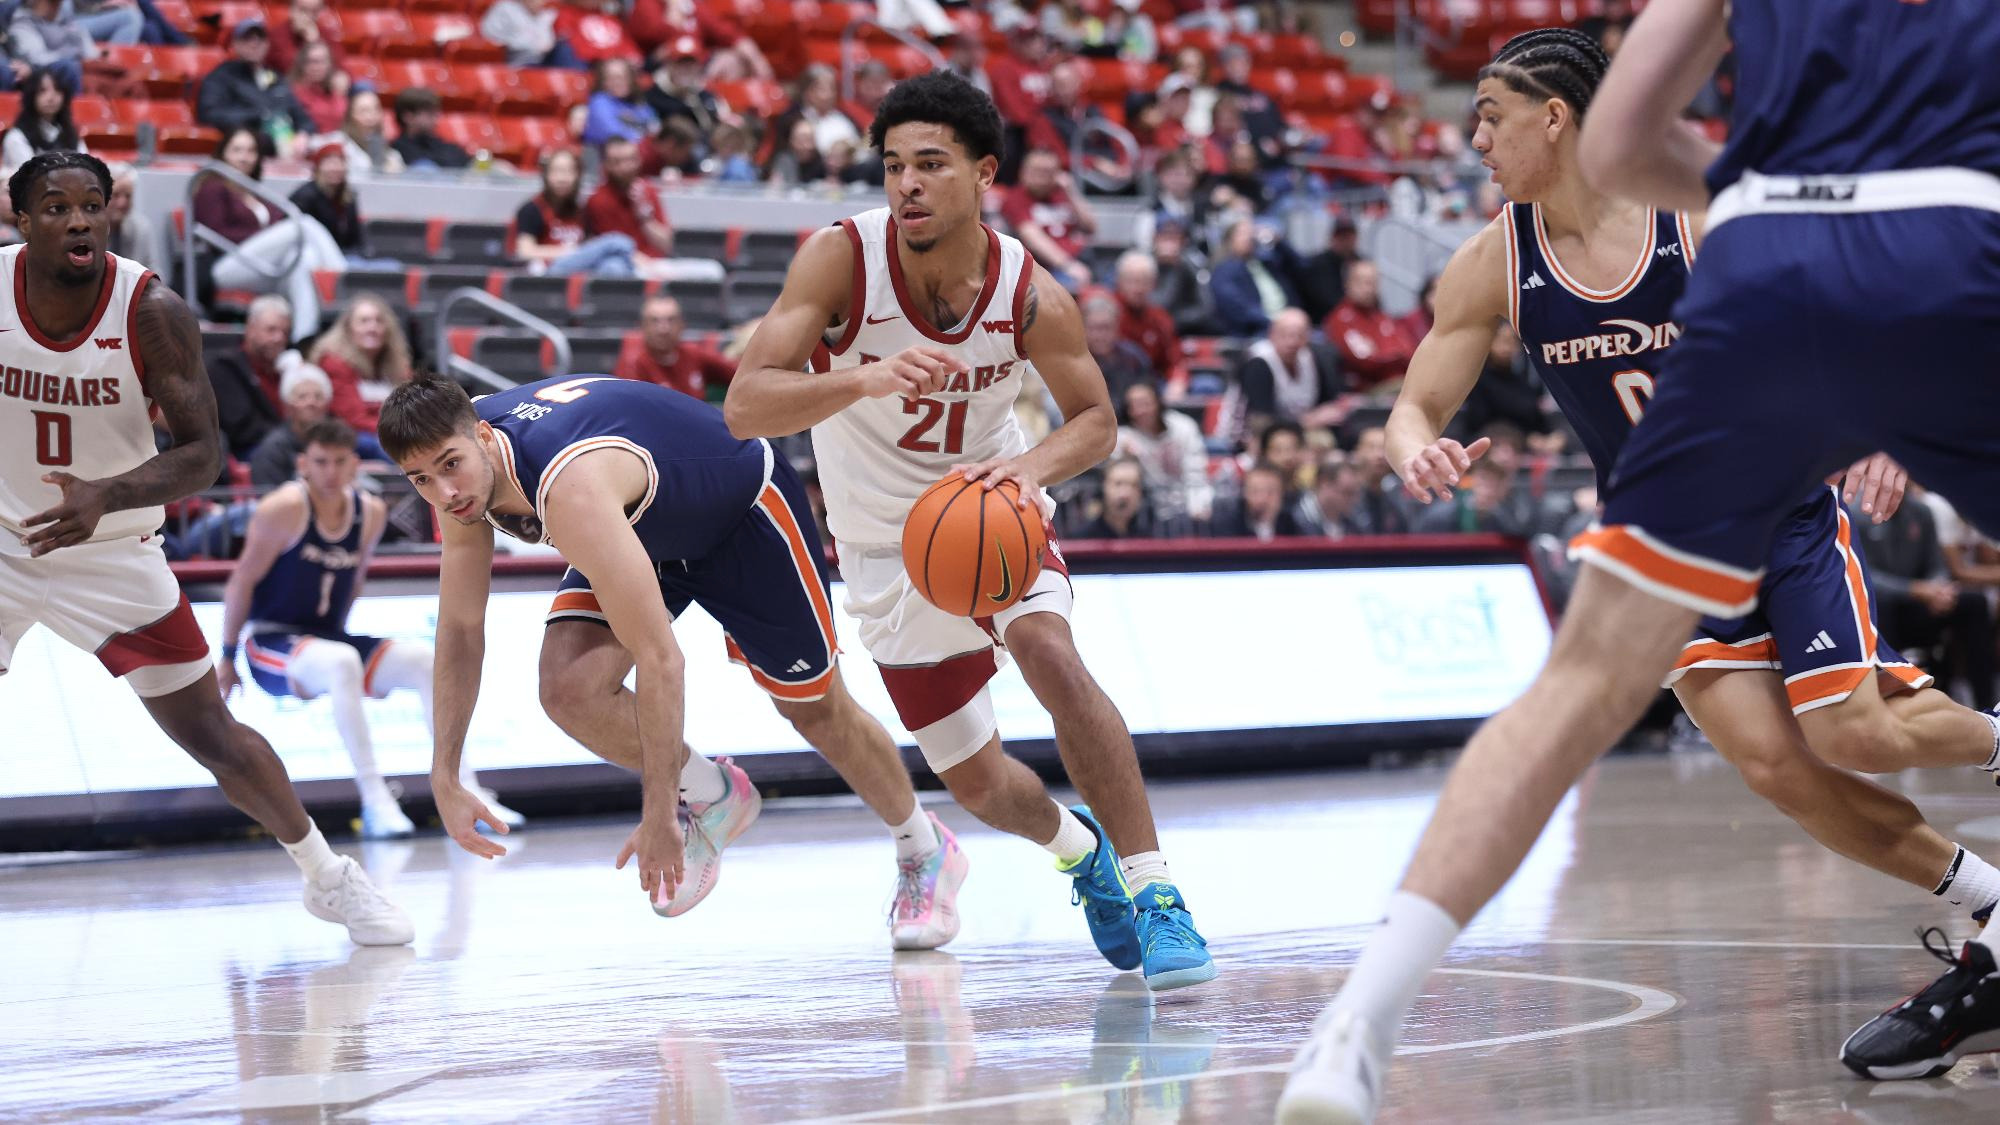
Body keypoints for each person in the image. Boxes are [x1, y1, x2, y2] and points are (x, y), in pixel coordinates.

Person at [1278, 20, 2000, 1120]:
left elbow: (1823, 314)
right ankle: (1984, 904)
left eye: (1490, 115)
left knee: (1851, 731)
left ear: (1555, 118)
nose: (1471, 137)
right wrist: (1409, 445)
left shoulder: (1695, 220)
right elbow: (1417, 397)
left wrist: (1864, 427)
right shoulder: (1496, 261)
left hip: (1783, 510)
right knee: (1774, 767)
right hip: (1668, 521)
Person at [726, 71, 1215, 991]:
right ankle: (1084, 855)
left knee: (1051, 654)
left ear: (984, 172)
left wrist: (1028, 472)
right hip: (883, 550)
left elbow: (1095, 421)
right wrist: (859, 380)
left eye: (931, 165)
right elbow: (746, 405)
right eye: (894, 166)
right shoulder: (839, 261)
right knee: (983, 786)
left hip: (992, 513)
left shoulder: (1030, 291)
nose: (907, 184)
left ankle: (1157, 892)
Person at [377, 374, 966, 943]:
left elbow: (662, 661)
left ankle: (925, 846)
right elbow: (458, 627)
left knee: (814, 710)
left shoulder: (567, 488)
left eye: (449, 467)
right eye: (420, 480)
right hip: (643, 527)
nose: (443, 492)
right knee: (568, 688)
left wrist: (658, 813)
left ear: (483, 436)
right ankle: (714, 793)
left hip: (741, 515)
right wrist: (445, 773)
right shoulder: (454, 465)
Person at [0, 150, 409, 946]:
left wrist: (108, 495)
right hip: (4, 544)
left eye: (93, 205)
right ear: (21, 220)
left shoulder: (150, 309)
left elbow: (204, 454)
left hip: (113, 551)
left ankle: (329, 876)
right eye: (56, 206)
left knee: (211, 735)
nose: (79, 219)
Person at [220, 419, 525, 839]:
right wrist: (226, 654)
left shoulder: (370, 512)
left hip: (326, 639)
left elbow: (355, 581)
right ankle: (375, 800)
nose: (329, 471)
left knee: (422, 660)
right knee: (341, 661)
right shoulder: (283, 508)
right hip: (270, 640)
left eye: (339, 462)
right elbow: (241, 581)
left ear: (353, 465)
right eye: (320, 462)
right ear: (303, 464)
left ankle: (465, 789)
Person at [195, 128, 345, 332]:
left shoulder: (256, 192)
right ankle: (342, 283)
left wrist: (270, 238)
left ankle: (301, 342)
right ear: (223, 154)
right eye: (237, 150)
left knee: (303, 260)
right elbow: (216, 233)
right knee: (304, 224)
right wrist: (265, 238)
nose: (244, 157)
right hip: (224, 266)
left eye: (250, 151)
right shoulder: (212, 187)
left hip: (260, 268)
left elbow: (277, 224)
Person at [195, 19, 313, 154]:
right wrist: (258, 115)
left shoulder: (276, 78)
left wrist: (303, 134)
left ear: (267, 44)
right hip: (245, 148)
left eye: (260, 38)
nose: (254, 43)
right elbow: (209, 115)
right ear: (235, 44)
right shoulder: (221, 77)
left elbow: (303, 118)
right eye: (247, 38)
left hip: (287, 146)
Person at [513, 148, 637, 276]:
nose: (562, 178)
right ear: (545, 175)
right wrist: (568, 252)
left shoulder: (581, 211)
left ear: (578, 176)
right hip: (549, 270)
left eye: (568, 172)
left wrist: (580, 253)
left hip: (579, 269)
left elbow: (587, 245)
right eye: (557, 171)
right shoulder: (532, 209)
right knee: (617, 242)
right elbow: (525, 251)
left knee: (614, 266)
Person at [1234, 307, 1348, 440]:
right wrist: (1308, 421)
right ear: (1272, 334)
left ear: (1308, 337)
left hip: (1297, 434)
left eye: (1299, 336)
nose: (1292, 342)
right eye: (1284, 335)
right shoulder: (1258, 363)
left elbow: (1328, 406)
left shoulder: (1313, 359)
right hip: (1251, 438)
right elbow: (1261, 421)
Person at [205, 293, 292, 462]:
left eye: (285, 332)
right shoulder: (225, 367)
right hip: (248, 453)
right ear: (250, 328)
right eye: (271, 330)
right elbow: (241, 428)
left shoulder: (287, 369)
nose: (279, 338)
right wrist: (290, 435)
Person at [1114, 380, 1210, 531]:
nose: (1141, 410)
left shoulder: (1184, 427)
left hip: (1187, 501)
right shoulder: (1123, 438)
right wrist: (1126, 458)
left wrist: (1197, 506)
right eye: (1134, 405)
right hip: (1145, 509)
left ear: (1158, 402)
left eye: (1145, 403)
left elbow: (1196, 474)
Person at [311, 294, 412, 433]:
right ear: (348, 328)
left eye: (379, 321)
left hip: (393, 435)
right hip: (354, 438)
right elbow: (354, 420)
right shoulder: (334, 363)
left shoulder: (398, 366)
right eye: (364, 321)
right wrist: (403, 432)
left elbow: (412, 410)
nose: (372, 328)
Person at [1000, 148, 1098, 291]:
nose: (1041, 177)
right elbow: (1032, 237)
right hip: (1045, 269)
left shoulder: (1062, 195)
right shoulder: (1015, 198)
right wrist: (1068, 265)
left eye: (1048, 172)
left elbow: (1091, 227)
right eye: (1036, 171)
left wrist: (1071, 191)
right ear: (1023, 172)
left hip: (1082, 259)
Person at [289, 142, 395, 269]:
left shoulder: (348, 197)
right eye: (329, 163)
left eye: (340, 162)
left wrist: (362, 253)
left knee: (392, 266)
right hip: (318, 258)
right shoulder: (305, 196)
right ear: (318, 167)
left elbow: (357, 237)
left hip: (347, 255)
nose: (335, 168)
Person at [614, 295, 733, 400]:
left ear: (682, 325)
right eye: (655, 321)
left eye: (671, 320)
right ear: (642, 326)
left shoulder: (694, 354)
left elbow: (738, 374)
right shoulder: (633, 362)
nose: (664, 329)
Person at [1322, 259, 1416, 392]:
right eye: (1362, 282)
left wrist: (1387, 353)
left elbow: (1409, 353)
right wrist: (1394, 355)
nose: (1368, 288)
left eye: (1373, 283)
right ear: (1348, 284)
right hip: (1365, 391)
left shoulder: (1383, 317)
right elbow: (1365, 362)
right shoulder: (1340, 319)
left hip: (1395, 383)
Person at [584, 137, 673, 258]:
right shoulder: (598, 200)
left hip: (655, 264)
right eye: (617, 162)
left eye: (631, 160)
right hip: (620, 266)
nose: (626, 167)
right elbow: (613, 248)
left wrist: (645, 217)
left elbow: (666, 245)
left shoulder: (649, 191)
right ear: (606, 165)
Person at [1110, 250, 1185, 392]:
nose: (1138, 288)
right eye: (1132, 281)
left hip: (1151, 386)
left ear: (1154, 284)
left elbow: (1174, 360)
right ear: (1119, 281)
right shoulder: (1107, 315)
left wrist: (1178, 380)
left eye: (1144, 281)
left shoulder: (1160, 318)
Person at [247, 360, 331, 487]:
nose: (311, 403)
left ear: (327, 405)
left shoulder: (335, 443)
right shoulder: (272, 449)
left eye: (318, 396)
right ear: (287, 406)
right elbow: (267, 499)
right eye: (302, 397)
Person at [1080, 291, 1154, 411]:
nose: (1100, 335)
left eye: (1106, 327)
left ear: (1117, 327)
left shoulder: (1134, 357)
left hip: (1131, 423)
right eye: (1094, 328)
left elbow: (1150, 391)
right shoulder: (1075, 361)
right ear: (1083, 328)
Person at [1, 68, 84, 169]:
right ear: (31, 96)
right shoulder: (16, 137)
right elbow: (29, 176)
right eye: (42, 91)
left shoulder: (71, 133)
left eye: (57, 90)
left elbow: (87, 168)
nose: (51, 97)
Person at [8, 0, 95, 94]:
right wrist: (72, 54)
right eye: (52, 3)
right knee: (69, 67)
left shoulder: (63, 18)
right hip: (42, 74)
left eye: (58, 3)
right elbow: (38, 60)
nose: (56, 7)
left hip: (74, 65)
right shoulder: (22, 23)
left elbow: (90, 52)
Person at [481, 0, 580, 70]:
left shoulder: (549, 15)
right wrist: (531, 46)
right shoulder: (506, 8)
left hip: (546, 62)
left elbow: (556, 39)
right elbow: (489, 35)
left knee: (565, 50)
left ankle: (578, 91)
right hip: (520, 62)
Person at [583, 57, 658, 147]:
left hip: (638, 154)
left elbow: (654, 127)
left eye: (624, 77)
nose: (618, 82)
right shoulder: (599, 102)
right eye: (612, 78)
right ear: (603, 82)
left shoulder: (638, 103)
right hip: (603, 156)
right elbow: (613, 135)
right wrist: (644, 140)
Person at [390, 88, 470, 171]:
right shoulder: (396, 150)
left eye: (436, 112)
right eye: (430, 113)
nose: (436, 117)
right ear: (408, 116)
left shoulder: (447, 147)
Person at [1075, 456, 1153, 539]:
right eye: (1118, 484)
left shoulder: (1148, 540)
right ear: (1103, 488)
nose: (1125, 494)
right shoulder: (1081, 540)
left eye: (1133, 485)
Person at [105, 162, 160, 273]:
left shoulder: (142, 228)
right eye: (116, 195)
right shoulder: (90, 229)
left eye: (128, 196)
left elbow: (154, 273)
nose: (122, 203)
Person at [288, 40, 347, 135]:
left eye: (323, 61)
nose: (318, 66)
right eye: (313, 62)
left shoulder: (336, 90)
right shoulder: (295, 92)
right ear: (303, 64)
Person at [339, 89, 402, 176]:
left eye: (376, 109)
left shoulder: (391, 153)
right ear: (351, 115)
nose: (371, 116)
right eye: (364, 111)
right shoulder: (341, 144)